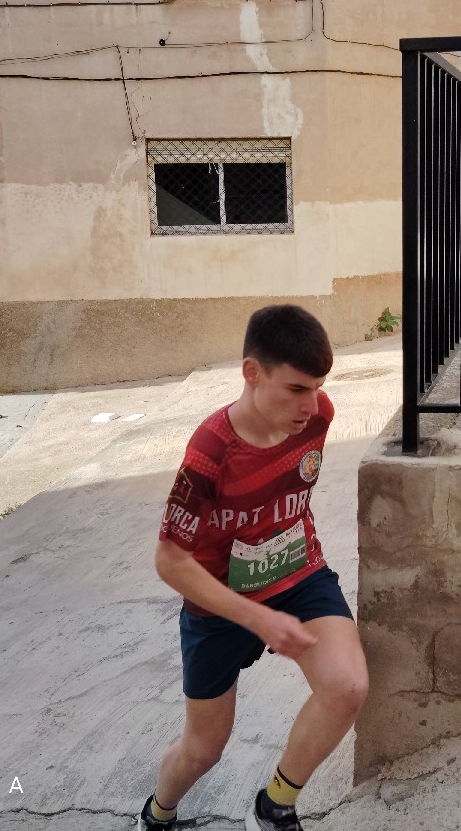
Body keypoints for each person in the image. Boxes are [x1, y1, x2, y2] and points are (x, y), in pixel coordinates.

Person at [140, 304, 368, 831]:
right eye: (296, 389)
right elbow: (170, 561)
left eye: (318, 387)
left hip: (298, 575)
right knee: (204, 749)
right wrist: (257, 617)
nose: (310, 404)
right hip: (219, 606)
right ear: (252, 372)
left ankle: (275, 805)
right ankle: (157, 814)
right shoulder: (209, 453)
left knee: (347, 688)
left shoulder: (319, 417)